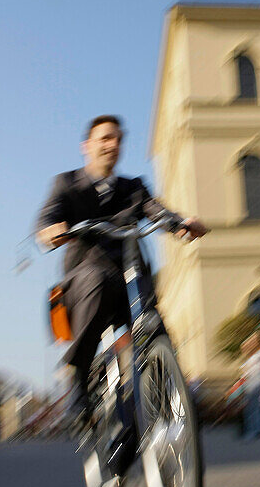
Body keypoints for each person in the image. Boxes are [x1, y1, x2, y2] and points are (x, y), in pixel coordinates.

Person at [36, 115, 207, 426]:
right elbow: (47, 217)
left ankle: (166, 393)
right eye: (104, 138)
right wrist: (50, 230)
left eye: (117, 139)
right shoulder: (66, 184)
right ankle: (78, 377)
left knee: (155, 328)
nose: (113, 145)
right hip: (87, 285)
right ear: (86, 146)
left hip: (130, 284)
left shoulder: (133, 188)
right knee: (97, 278)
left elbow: (156, 210)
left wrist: (181, 224)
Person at [240, 331, 260, 440]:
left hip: (257, 380)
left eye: (253, 341)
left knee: (256, 407)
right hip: (251, 381)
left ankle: (258, 429)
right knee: (252, 407)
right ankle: (256, 429)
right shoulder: (254, 354)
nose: (251, 343)